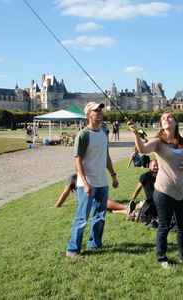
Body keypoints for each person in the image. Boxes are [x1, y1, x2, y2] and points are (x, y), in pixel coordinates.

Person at [128, 111, 183, 269]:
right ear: (161, 125)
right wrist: (136, 134)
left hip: (182, 191)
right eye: (163, 118)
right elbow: (143, 150)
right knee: (164, 225)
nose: (166, 119)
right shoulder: (158, 142)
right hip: (164, 191)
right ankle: (162, 257)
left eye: (170, 117)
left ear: (176, 122)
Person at [66, 102, 119, 259]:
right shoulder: (83, 135)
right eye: (97, 110)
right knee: (82, 218)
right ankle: (72, 250)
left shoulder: (103, 132)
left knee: (100, 216)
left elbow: (107, 156)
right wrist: (86, 183)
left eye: (101, 109)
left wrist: (113, 175)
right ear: (89, 115)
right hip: (87, 184)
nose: (100, 112)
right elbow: (78, 162)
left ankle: (95, 243)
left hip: (102, 182)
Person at [52, 173, 135, 215]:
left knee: (102, 205)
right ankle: (126, 207)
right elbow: (65, 193)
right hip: (84, 201)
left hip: (94, 196)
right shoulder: (72, 178)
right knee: (103, 202)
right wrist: (56, 206)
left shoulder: (90, 174)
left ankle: (124, 211)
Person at [129, 159, 159, 225]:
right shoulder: (145, 176)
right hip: (150, 201)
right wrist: (132, 199)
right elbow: (138, 188)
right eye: (154, 166)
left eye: (157, 165)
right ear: (149, 167)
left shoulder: (162, 176)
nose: (156, 167)